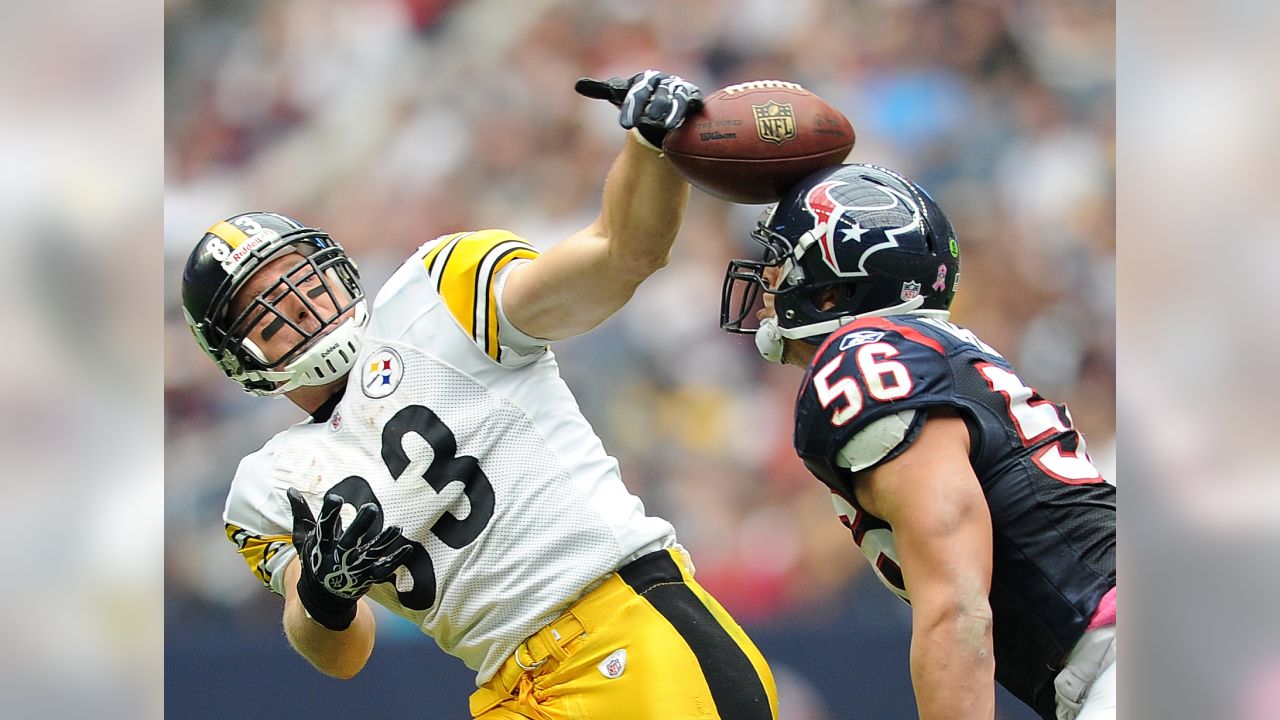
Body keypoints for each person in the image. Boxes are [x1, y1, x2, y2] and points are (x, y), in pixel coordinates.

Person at [180, 70, 778, 720]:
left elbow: (621, 252)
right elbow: (340, 654)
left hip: (624, 628)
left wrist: (650, 146)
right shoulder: (265, 486)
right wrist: (326, 589)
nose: (298, 302)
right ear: (236, 358)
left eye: (299, 277)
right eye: (265, 307)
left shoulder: (435, 294)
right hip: (511, 687)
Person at [719, 163, 1115, 720]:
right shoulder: (925, 348)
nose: (767, 281)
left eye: (781, 261)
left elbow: (957, 608)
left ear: (831, 290)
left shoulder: (861, 360)